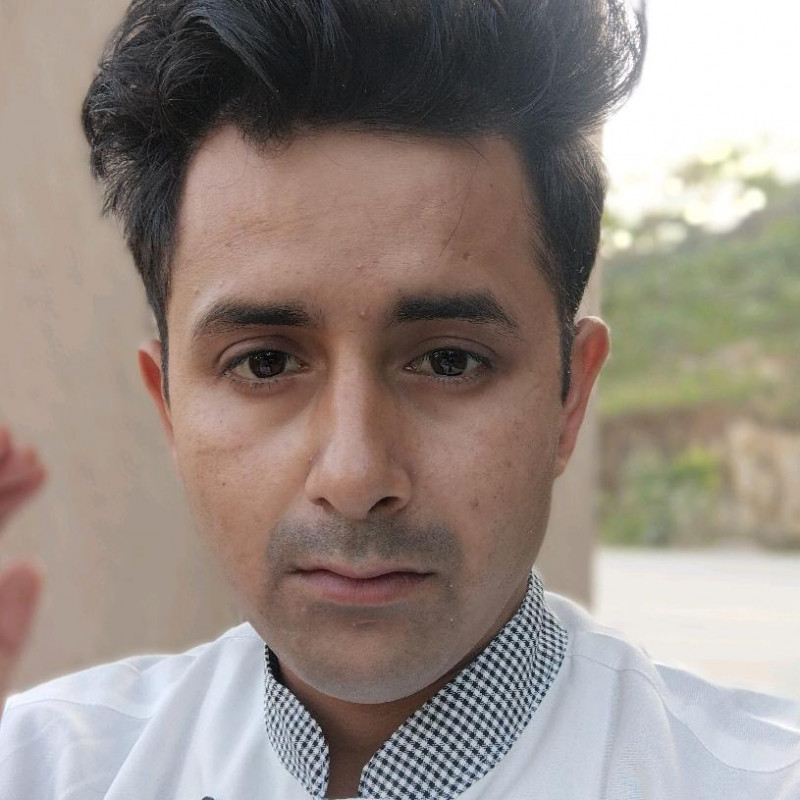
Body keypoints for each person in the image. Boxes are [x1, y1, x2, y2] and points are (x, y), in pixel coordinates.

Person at [1, 0, 798, 797]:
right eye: (265, 363)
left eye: (450, 361)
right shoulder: (46, 768)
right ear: (169, 407)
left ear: (571, 397)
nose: (354, 477)